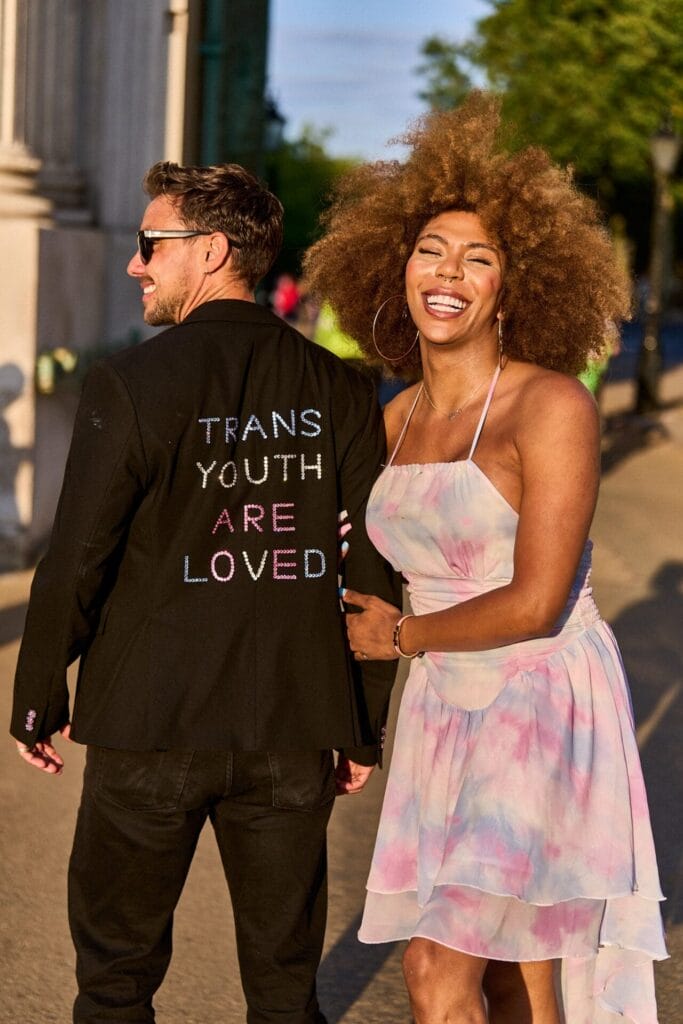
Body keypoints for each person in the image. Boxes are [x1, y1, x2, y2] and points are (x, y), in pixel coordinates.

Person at [304, 93, 667, 1024]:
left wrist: (405, 636)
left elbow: (538, 599)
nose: (448, 272)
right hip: (438, 709)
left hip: (536, 699)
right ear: (396, 266)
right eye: (430, 249)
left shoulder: (549, 408)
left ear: (516, 284)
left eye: (479, 256)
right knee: (516, 971)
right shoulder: (389, 420)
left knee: (438, 969)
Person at [10, 160, 399, 1024]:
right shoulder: (339, 389)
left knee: (115, 981)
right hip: (291, 724)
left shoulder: (133, 384)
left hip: (149, 722)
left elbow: (77, 554)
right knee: (283, 989)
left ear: (212, 250)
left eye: (151, 245)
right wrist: (362, 720)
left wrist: (39, 691)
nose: (135, 265)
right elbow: (374, 567)